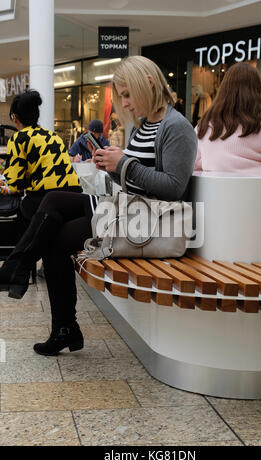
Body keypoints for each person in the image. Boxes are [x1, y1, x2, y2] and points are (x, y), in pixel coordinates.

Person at [0, 56, 197, 356]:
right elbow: (136, 178)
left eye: (128, 94)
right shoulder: (143, 126)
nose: (126, 104)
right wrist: (111, 165)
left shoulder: (176, 127)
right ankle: (23, 274)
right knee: (52, 201)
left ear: (149, 84)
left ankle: (41, 299)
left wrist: (124, 163)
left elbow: (173, 188)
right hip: (128, 208)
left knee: (54, 234)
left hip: (147, 220)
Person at [194, 62, 261, 232]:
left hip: (218, 206)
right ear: (256, 91)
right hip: (258, 206)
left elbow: (194, 166)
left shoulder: (203, 125)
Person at [2, 89, 82, 221]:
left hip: (46, 200)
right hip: (75, 197)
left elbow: (14, 184)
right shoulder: (53, 136)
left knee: (24, 206)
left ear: (14, 118)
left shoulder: (19, 138)